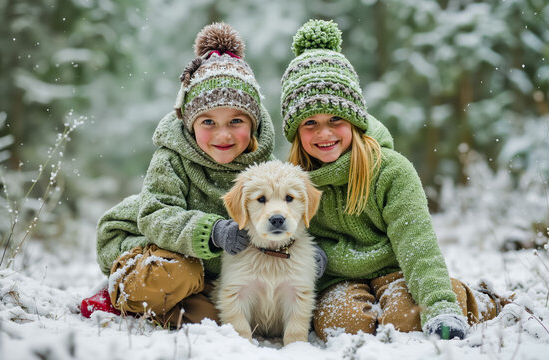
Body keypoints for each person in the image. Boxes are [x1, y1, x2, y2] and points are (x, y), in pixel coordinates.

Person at [82, 23, 330, 327]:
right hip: (146, 243)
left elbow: (281, 212)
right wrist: (211, 232)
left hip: (205, 267)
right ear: (190, 124)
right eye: (208, 122)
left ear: (253, 124)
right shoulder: (171, 159)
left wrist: (298, 249)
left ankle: (170, 303)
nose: (223, 134)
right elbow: (155, 215)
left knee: (212, 316)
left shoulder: (264, 167)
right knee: (176, 274)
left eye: (236, 120)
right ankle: (119, 291)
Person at [280, 19, 508, 341]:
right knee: (341, 324)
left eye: (335, 119)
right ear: (295, 132)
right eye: (310, 123)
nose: (325, 133)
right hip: (338, 281)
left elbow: (418, 246)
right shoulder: (291, 183)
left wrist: (440, 306)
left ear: (356, 120)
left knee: (405, 316)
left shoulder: (391, 171)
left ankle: (476, 301)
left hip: (399, 270)